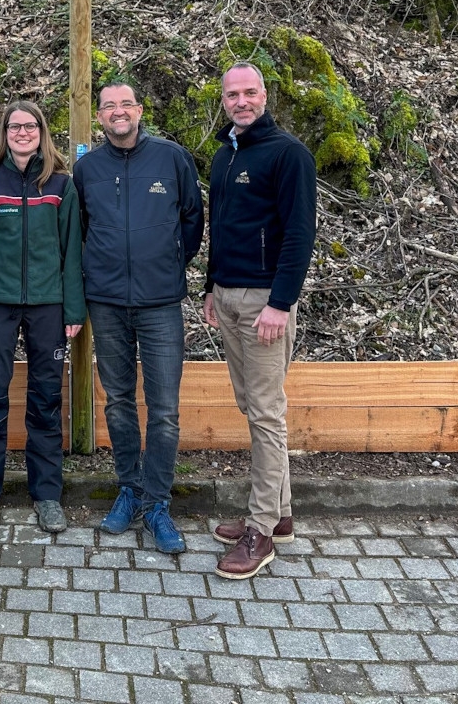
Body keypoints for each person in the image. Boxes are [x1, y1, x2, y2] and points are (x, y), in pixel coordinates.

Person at [73, 80, 203, 553]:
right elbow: (80, 229)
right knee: (119, 402)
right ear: (101, 116)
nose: (118, 112)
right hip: (105, 302)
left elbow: (193, 220)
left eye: (126, 104)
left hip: (160, 303)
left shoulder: (171, 159)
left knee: (165, 411)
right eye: (109, 106)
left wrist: (168, 264)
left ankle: (158, 504)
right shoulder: (87, 169)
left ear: (140, 110)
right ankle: (129, 489)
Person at [204, 62, 317, 580]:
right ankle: (283, 514)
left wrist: (280, 302)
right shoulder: (224, 154)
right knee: (254, 406)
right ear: (224, 100)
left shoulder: (288, 154)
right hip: (227, 295)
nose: (241, 101)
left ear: (264, 95)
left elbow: (298, 234)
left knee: (266, 414)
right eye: (233, 94)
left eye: (250, 93)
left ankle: (261, 531)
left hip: (264, 300)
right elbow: (220, 227)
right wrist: (210, 287)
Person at [0, 100, 85, 534]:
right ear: (5, 133)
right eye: (15, 127)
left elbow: (72, 253)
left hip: (49, 307)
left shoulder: (61, 185)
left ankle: (47, 495)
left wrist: (72, 309)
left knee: (46, 400)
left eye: (30, 126)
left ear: (42, 131)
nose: (23, 132)